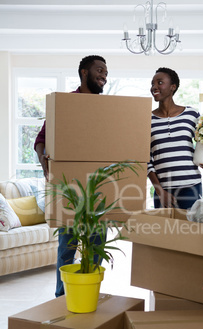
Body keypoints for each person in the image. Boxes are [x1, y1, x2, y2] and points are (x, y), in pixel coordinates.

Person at [34, 55, 108, 297]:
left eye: (106, 73)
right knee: (67, 248)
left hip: (100, 191)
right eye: (99, 71)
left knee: (96, 249)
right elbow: (41, 139)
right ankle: (61, 297)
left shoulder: (108, 109)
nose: (104, 76)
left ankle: (90, 296)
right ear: (84, 72)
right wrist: (44, 161)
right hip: (69, 191)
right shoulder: (64, 103)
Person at [148, 67, 203, 210]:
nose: (154, 87)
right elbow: (146, 159)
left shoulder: (191, 114)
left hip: (191, 187)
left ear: (173, 87)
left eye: (159, 82)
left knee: (191, 231)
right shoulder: (147, 119)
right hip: (163, 190)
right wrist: (159, 190)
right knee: (164, 232)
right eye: (152, 84)